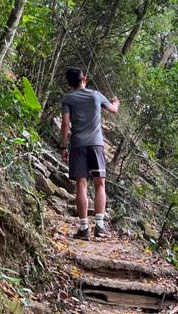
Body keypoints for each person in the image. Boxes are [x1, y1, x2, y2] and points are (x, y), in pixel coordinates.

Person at [59, 67, 119, 240]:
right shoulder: (96, 95)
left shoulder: (67, 99)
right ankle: (99, 226)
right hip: (96, 145)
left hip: (77, 145)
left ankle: (84, 228)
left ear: (68, 83)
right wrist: (116, 102)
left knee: (81, 185)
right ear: (84, 78)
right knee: (100, 184)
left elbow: (65, 124)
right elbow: (113, 110)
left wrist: (63, 147)